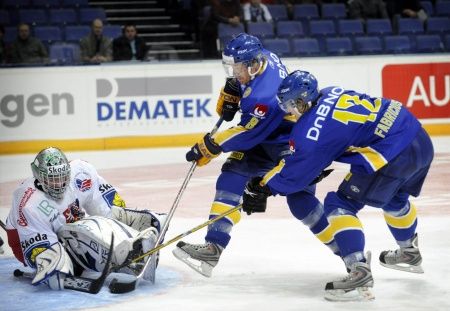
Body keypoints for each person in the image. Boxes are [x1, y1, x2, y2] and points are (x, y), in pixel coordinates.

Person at [242, 70, 434, 301]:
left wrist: (265, 186)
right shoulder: (331, 91)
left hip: (391, 154)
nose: (289, 111)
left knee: (340, 204)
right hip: (418, 137)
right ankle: (409, 252)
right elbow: (340, 134)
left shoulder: (309, 130)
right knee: (395, 198)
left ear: (302, 101)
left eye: (291, 105)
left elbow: (295, 176)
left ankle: (358, 270)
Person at [172, 34, 331, 278]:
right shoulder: (263, 56)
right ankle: (214, 246)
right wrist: (234, 89)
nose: (234, 72)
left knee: (300, 200)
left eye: (237, 68)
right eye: (231, 67)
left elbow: (247, 133)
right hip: (263, 136)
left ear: (252, 64)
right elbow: (247, 108)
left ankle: (349, 253)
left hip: (285, 140)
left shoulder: (263, 96)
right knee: (231, 177)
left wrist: (209, 146)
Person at [5, 147, 167, 290]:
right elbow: (37, 248)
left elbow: (107, 207)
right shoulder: (30, 204)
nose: (59, 184)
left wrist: (123, 221)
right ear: (38, 176)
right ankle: (125, 259)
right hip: (25, 240)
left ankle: (132, 244)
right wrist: (54, 267)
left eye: (62, 177)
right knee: (77, 232)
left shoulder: (81, 172)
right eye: (52, 179)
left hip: (69, 225)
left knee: (100, 222)